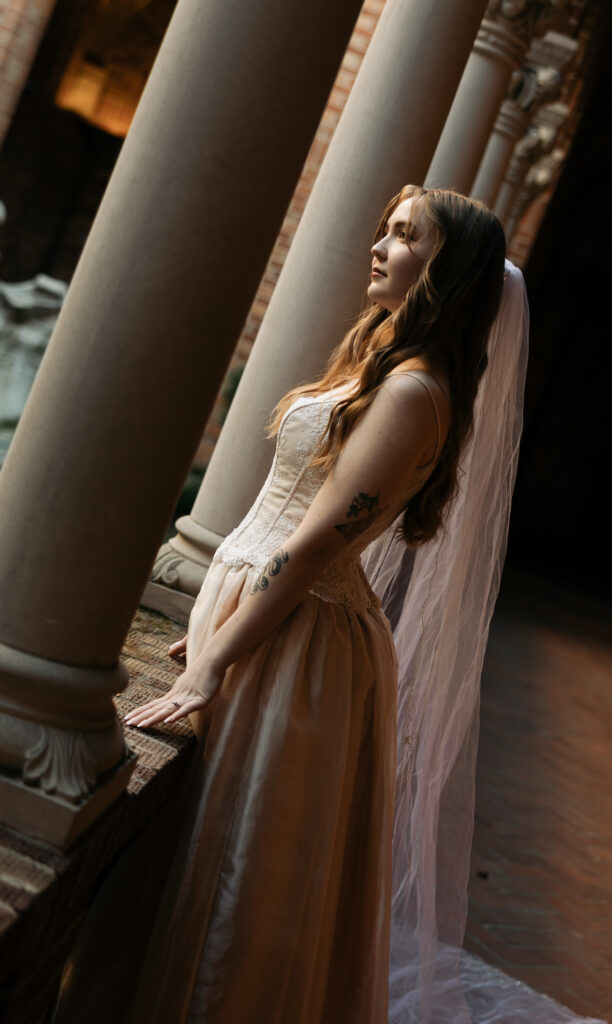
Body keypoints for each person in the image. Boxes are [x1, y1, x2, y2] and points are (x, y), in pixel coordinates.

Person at [123, 185, 519, 1024]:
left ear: (445, 269)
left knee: (241, 869)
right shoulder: (384, 362)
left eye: (405, 235)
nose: (378, 245)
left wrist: (215, 659)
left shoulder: (415, 392)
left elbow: (313, 545)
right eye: (384, 228)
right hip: (271, 616)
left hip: (297, 639)